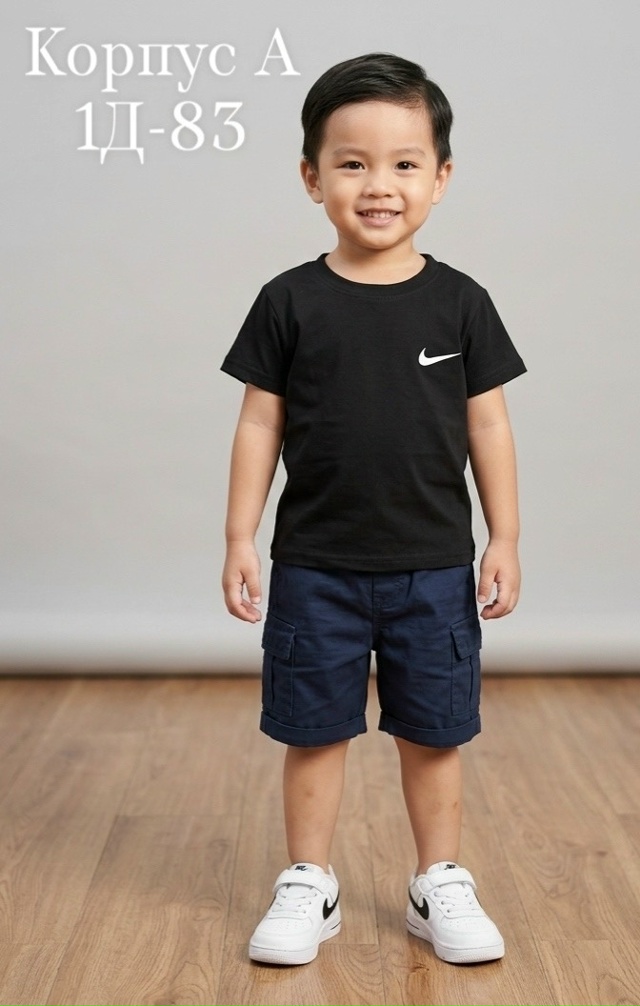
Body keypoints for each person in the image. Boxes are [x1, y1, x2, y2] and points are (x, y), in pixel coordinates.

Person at [221, 52, 526, 967]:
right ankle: (308, 882)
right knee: (313, 731)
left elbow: (490, 426)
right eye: (352, 163)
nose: (379, 185)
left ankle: (439, 881)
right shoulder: (289, 300)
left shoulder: (462, 303)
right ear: (312, 177)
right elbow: (258, 423)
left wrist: (505, 536)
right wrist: (239, 535)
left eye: (403, 163)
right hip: (315, 566)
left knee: (433, 732)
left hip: (433, 567)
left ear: (441, 176)